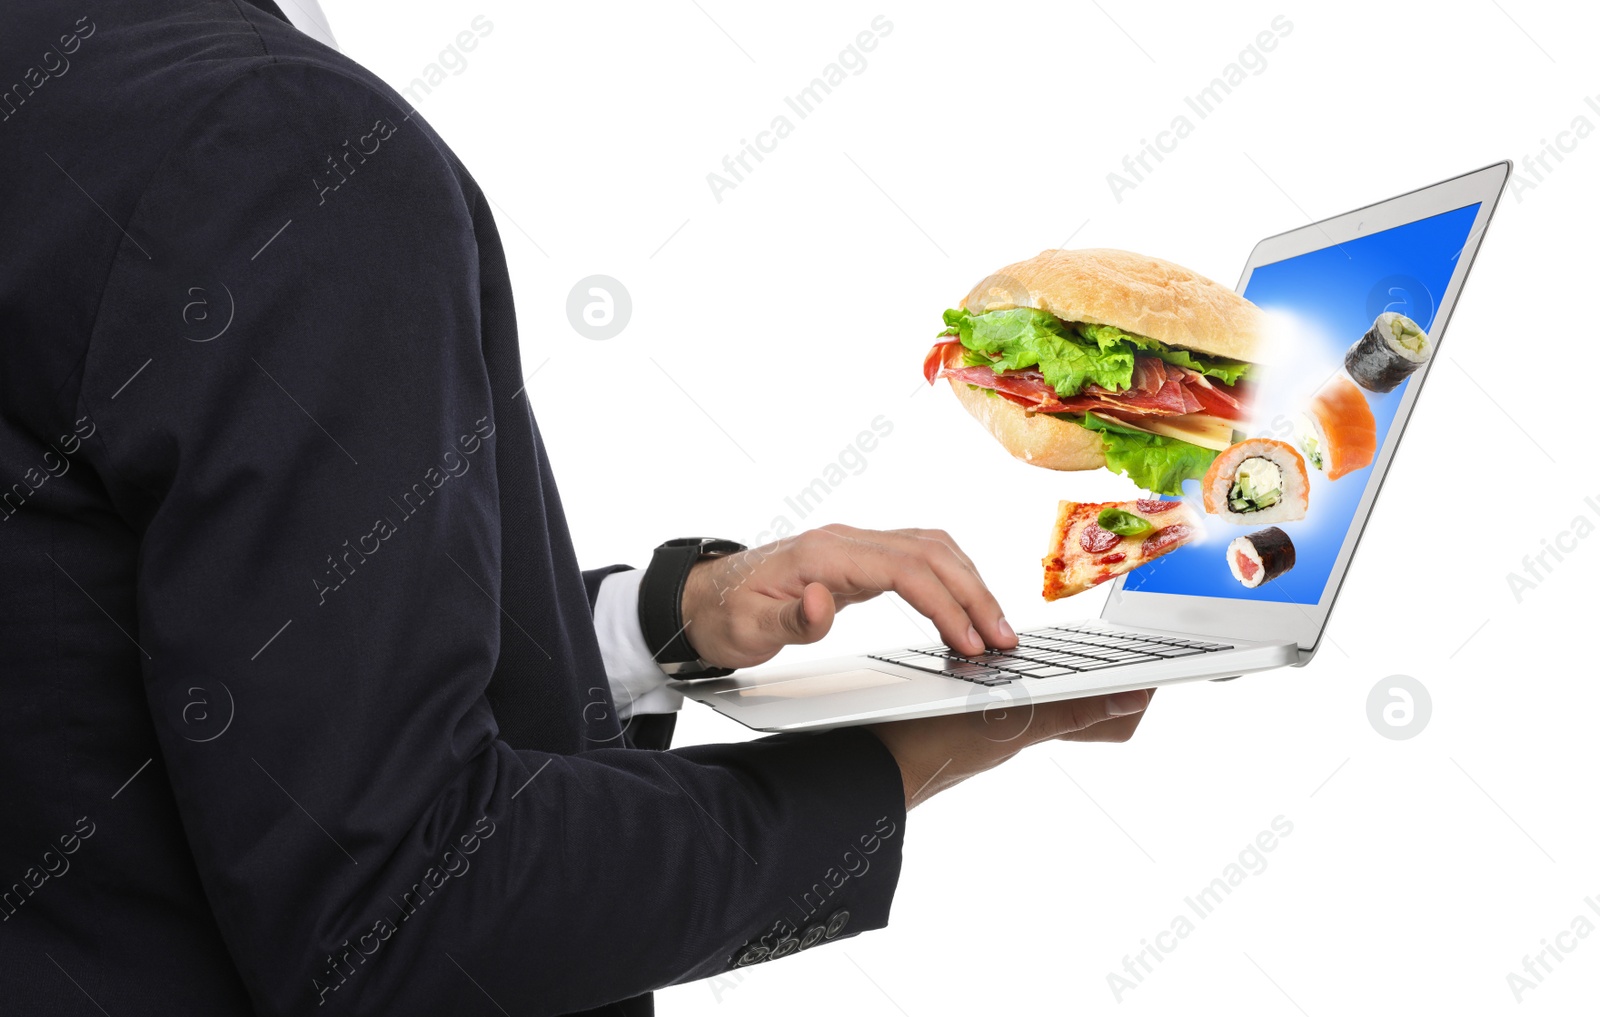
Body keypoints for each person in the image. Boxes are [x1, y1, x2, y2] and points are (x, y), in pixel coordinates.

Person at [0, 2, 1152, 1014]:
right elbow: (404, 915)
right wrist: (912, 755)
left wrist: (663, 622)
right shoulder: (273, 135)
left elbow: (113, 676)